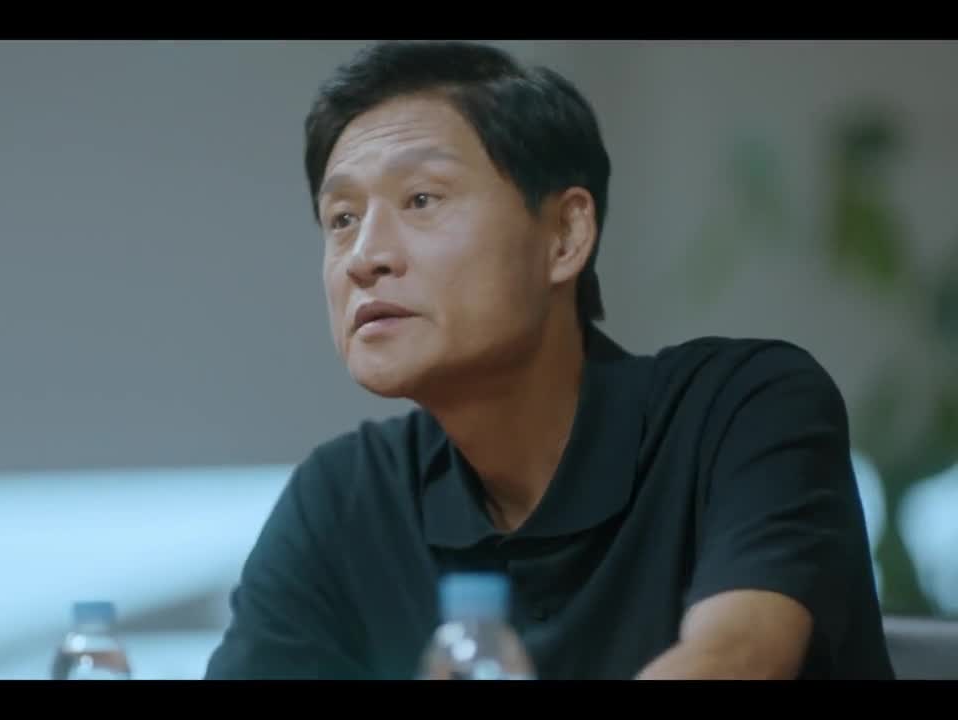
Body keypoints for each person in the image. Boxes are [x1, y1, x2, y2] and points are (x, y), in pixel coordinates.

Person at [204, 40, 895, 680]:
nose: (364, 258)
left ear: (565, 235)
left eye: (421, 199)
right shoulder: (346, 498)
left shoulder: (745, 409)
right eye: (342, 219)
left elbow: (738, 656)